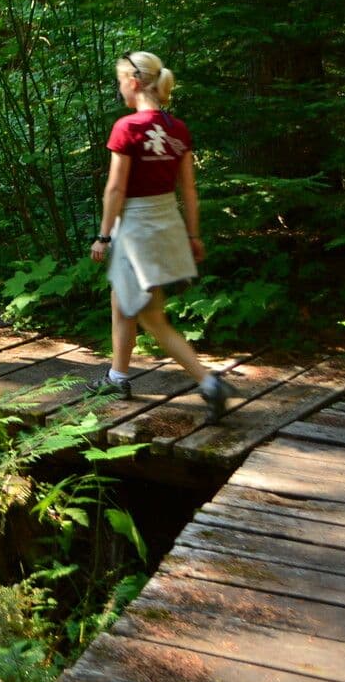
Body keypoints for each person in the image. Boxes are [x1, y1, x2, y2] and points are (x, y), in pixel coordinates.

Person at [88, 51, 235, 419]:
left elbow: (115, 190)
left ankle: (209, 382)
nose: (119, 86)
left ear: (134, 82)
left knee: (152, 317)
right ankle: (117, 376)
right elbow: (189, 190)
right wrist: (193, 235)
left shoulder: (127, 128)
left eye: (121, 79)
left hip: (136, 227)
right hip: (166, 220)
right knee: (123, 301)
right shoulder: (177, 128)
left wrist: (104, 236)